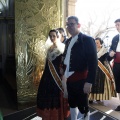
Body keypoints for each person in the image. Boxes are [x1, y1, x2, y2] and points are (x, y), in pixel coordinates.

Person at [62, 16, 98, 120]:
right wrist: (62, 68)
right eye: (67, 24)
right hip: (69, 79)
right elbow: (66, 58)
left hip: (81, 79)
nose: (69, 26)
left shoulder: (87, 40)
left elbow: (93, 62)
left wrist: (89, 82)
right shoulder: (68, 41)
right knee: (72, 103)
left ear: (78, 25)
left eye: (71, 24)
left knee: (83, 106)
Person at [37, 29, 66, 120]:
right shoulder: (49, 48)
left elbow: (64, 62)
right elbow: (47, 62)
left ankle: (57, 115)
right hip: (48, 74)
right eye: (50, 36)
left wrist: (62, 70)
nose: (52, 38)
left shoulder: (62, 48)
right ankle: (48, 115)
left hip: (57, 74)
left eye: (54, 36)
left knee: (55, 94)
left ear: (57, 36)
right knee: (47, 94)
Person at [89, 37, 116, 104]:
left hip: (102, 70)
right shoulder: (92, 50)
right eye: (95, 43)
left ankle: (98, 98)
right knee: (92, 83)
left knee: (100, 84)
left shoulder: (104, 50)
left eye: (97, 43)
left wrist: (111, 55)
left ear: (101, 43)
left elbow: (108, 58)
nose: (96, 44)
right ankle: (91, 98)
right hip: (93, 69)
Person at [109, 18, 120, 111]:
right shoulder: (115, 38)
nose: (117, 27)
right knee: (119, 85)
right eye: (116, 25)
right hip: (117, 64)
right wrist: (110, 53)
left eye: (118, 25)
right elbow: (111, 49)